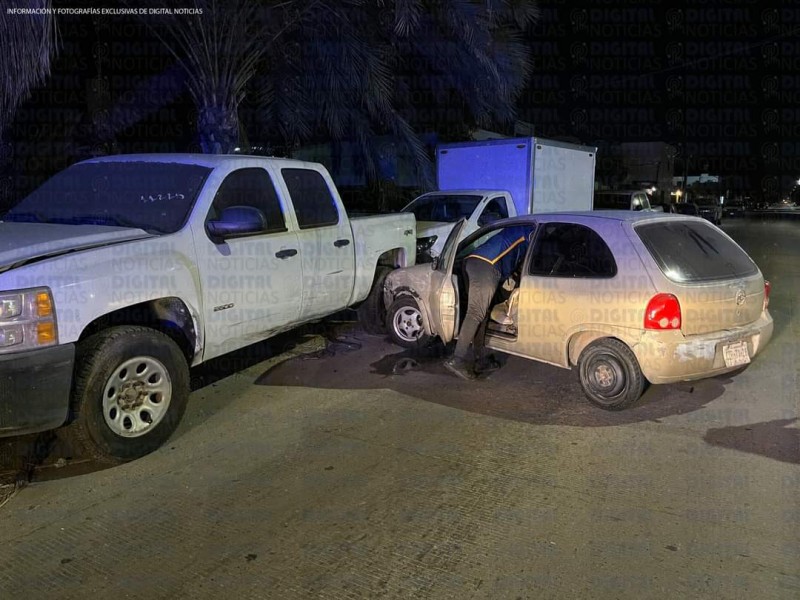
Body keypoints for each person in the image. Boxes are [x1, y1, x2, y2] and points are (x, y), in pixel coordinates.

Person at [443, 225, 533, 380]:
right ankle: (457, 359)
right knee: (476, 313)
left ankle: (480, 359)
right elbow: (531, 258)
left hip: (472, 262)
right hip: (487, 265)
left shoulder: (520, 229)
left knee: (482, 314)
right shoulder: (531, 231)